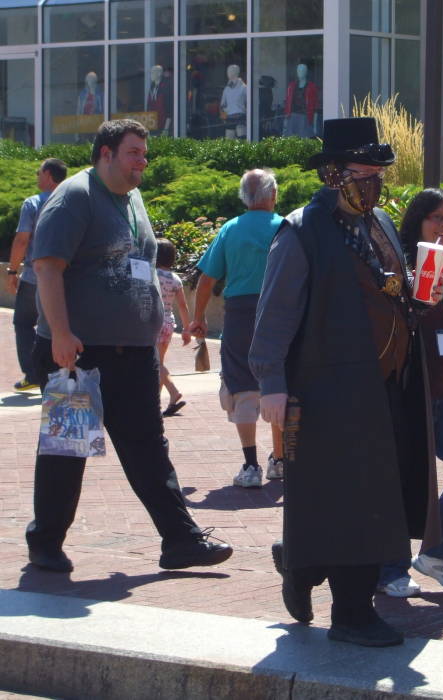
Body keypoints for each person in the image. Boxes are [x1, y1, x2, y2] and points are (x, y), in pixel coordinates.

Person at [249, 117, 443, 647]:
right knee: (350, 502)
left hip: (384, 386)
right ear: (333, 174)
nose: (373, 183)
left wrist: (419, 299)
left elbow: (390, 294)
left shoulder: (379, 222)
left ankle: (299, 562)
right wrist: (270, 383)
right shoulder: (300, 231)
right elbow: (275, 314)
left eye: (378, 172)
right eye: (362, 172)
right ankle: (352, 615)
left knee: (369, 497)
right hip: (328, 389)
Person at [28, 118, 233, 573]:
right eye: (134, 152)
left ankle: (181, 540)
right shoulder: (74, 198)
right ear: (106, 153)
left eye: (144, 152)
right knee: (69, 448)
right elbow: (46, 268)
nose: (143, 160)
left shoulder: (132, 197)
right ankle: (45, 543)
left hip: (134, 352)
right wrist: (61, 335)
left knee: (147, 445)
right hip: (80, 355)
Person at [377, 188, 443, 597]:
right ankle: (390, 568)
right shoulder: (403, 268)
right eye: (435, 218)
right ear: (417, 223)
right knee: (404, 477)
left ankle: (439, 555)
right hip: (412, 390)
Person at [189, 169, 285, 489]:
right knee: (278, 382)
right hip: (279, 313)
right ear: (272, 195)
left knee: (242, 384)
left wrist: (198, 317)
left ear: (244, 197)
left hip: (240, 315)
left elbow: (207, 278)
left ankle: (250, 465)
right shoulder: (286, 227)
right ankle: (280, 460)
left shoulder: (230, 229)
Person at [7, 158, 67, 392]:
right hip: (67, 277)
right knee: (59, 325)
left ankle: (33, 375)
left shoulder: (32, 203)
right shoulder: (71, 201)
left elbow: (22, 239)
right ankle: (60, 372)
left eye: (39, 172)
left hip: (35, 277)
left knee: (23, 323)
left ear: (49, 175)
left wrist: (12, 270)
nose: (36, 176)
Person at [155, 237, 191, 417]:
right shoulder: (175, 278)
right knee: (159, 362)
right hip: (168, 323)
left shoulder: (151, 274)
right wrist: (186, 329)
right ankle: (158, 401)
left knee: (155, 364)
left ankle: (173, 391)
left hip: (153, 322)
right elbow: (183, 306)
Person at [283, 63, 318, 138]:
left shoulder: (311, 87)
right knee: (291, 139)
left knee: (304, 138)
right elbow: (288, 102)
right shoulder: (291, 86)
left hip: (305, 116)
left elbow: (314, 105)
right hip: (292, 116)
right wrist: (286, 118)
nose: (300, 72)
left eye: (302, 70)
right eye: (298, 70)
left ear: (306, 72)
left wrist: (314, 124)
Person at [220, 65, 247, 140]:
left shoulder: (244, 88)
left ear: (236, 73)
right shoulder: (227, 89)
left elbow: (249, 104)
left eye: (231, 71)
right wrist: (223, 118)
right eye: (228, 71)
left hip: (241, 118)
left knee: (242, 139)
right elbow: (222, 105)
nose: (228, 73)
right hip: (229, 118)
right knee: (229, 141)